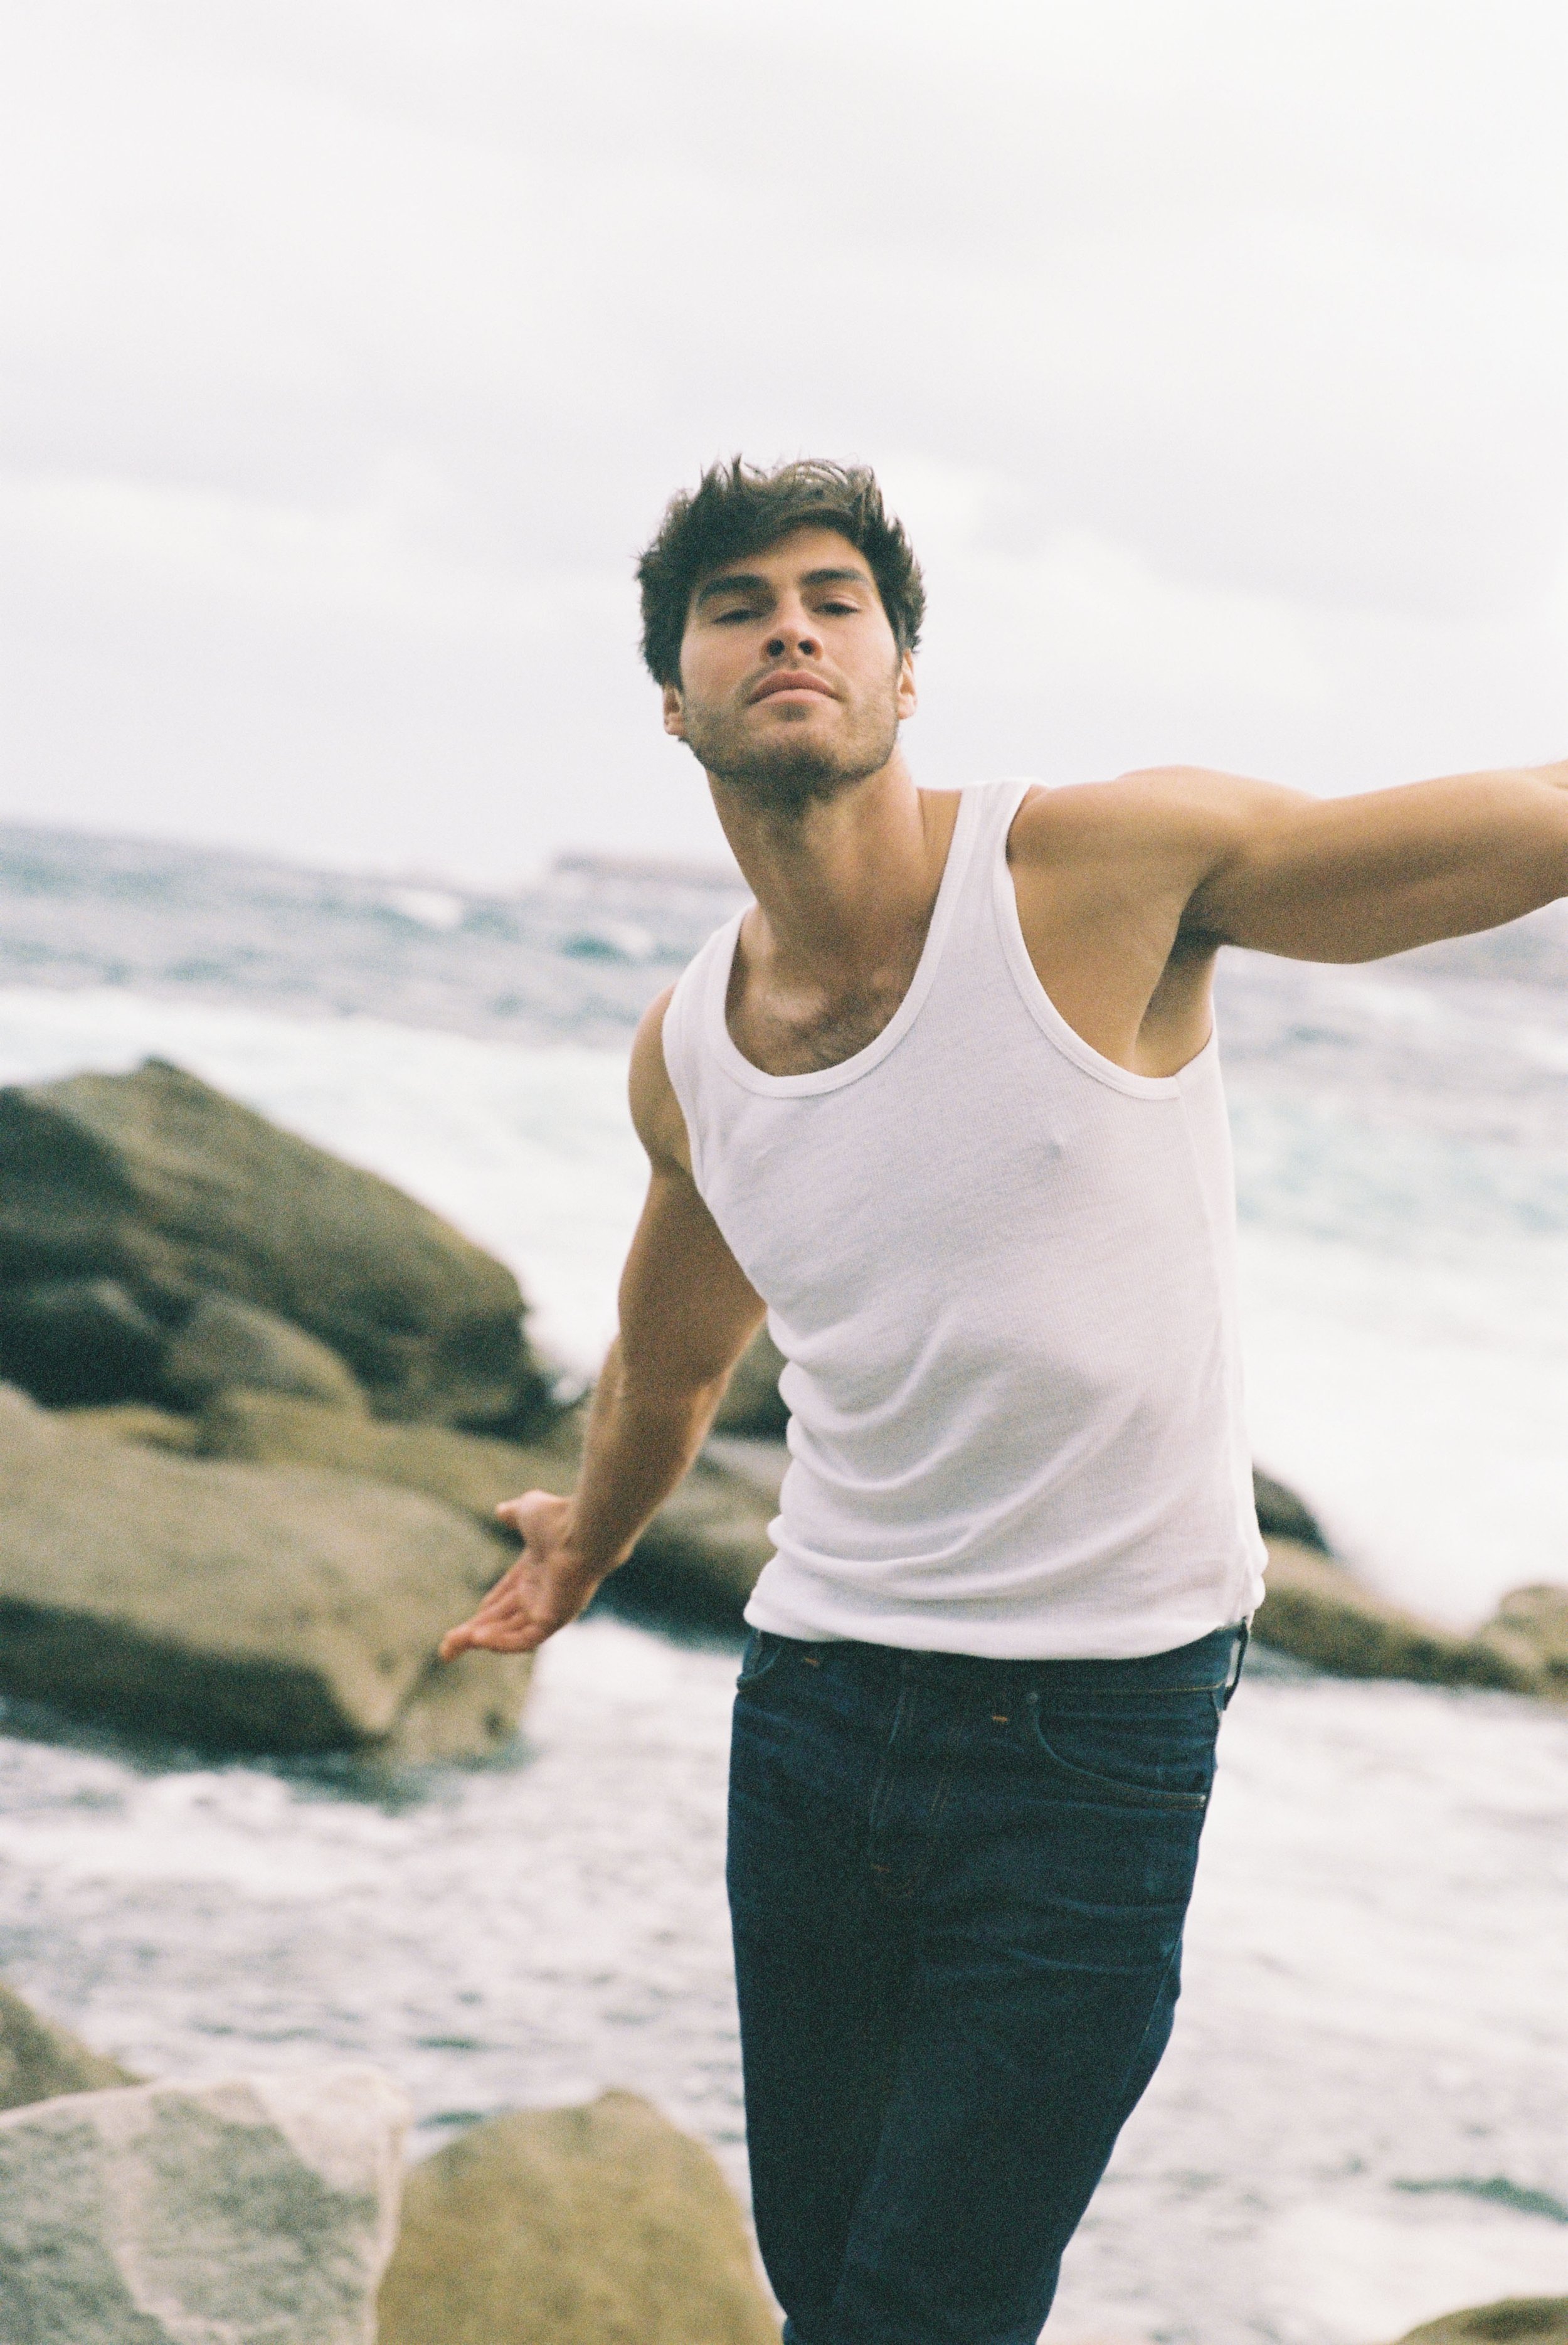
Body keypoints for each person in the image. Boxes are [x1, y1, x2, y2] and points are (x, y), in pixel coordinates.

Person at [440, 459, 1568, 2344]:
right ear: (674, 697)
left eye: (831, 597)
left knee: (927, 2301)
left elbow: (1528, 820)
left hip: (1095, 1734)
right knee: (832, 2284)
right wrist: (585, 1542)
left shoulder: (1094, 871)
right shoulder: (692, 1044)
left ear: (898, 675)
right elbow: (670, 1350)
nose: (787, 624)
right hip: (813, 1713)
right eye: (734, 605)